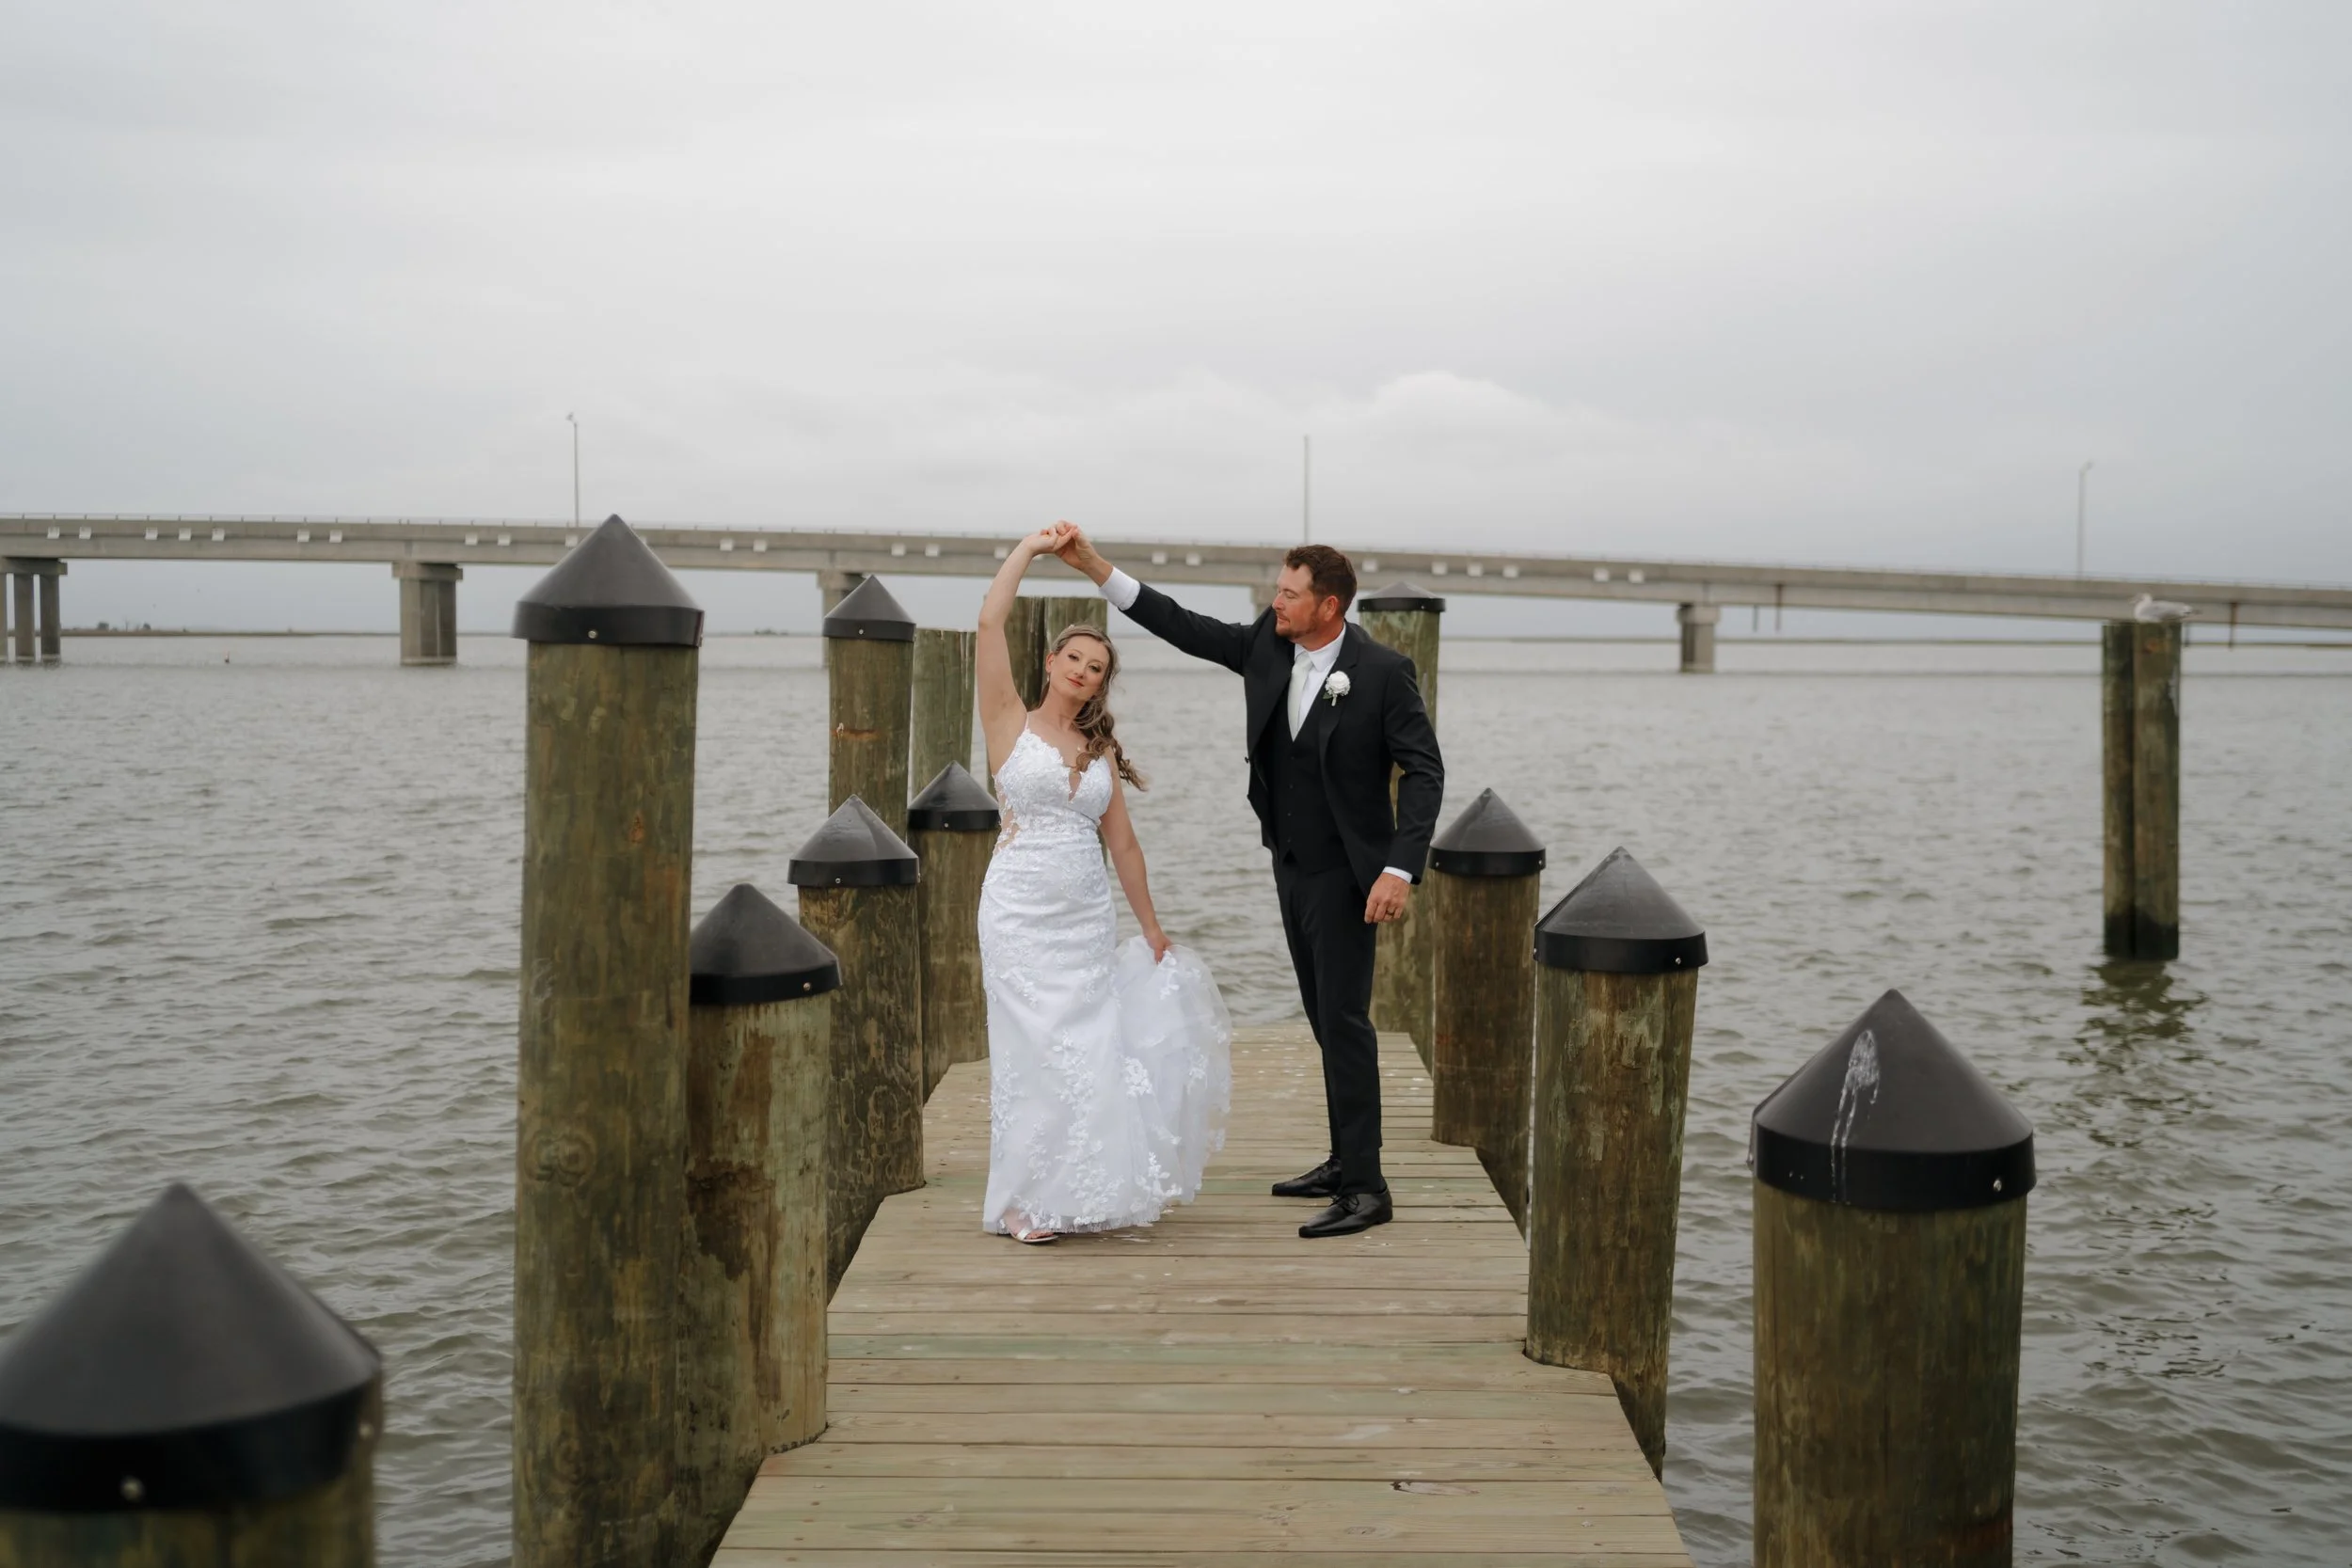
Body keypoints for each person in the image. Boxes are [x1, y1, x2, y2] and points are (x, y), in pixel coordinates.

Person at [1053, 525, 1443, 1239]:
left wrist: (1398, 867)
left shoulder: (1384, 672)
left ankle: (1367, 1187)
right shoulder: (1267, 645)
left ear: (1329, 606)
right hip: (1290, 863)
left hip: (1351, 872)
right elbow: (1179, 624)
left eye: (1290, 594)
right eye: (1278, 590)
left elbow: (1425, 771)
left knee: (1347, 1022)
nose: (1276, 602)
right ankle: (1343, 1157)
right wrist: (1096, 568)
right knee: (1324, 1017)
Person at [975, 524, 1232, 1244]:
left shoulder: (1099, 752)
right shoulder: (1007, 722)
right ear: (1051, 661)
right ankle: (1022, 1201)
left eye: (1097, 666)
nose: (1084, 671)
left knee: (1086, 1050)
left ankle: (1074, 1192)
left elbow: (1123, 843)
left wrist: (1148, 926)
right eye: (1075, 658)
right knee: (1031, 1048)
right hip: (1019, 911)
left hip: (1083, 916)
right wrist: (1028, 550)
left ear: (1100, 682)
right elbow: (989, 622)